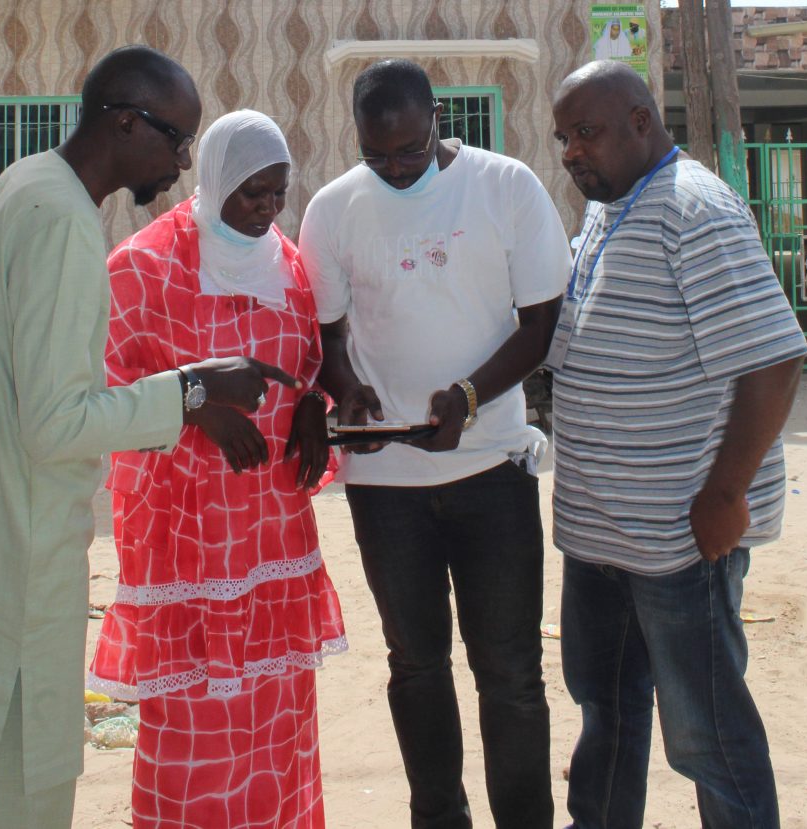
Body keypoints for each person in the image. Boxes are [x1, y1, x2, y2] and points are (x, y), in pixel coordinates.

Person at [0, 47, 300, 829]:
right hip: (17, 568)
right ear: (125, 122)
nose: (181, 163)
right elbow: (55, 421)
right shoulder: (63, 223)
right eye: (175, 140)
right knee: (20, 795)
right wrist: (195, 391)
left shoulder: (22, 183)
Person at [299, 59, 571, 828]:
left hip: (491, 470)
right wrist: (344, 387)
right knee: (416, 666)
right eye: (376, 155)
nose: (394, 169)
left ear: (439, 120)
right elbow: (327, 332)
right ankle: (438, 816)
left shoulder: (506, 186)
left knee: (511, 672)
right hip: (387, 486)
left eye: (411, 151)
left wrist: (471, 396)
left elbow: (540, 325)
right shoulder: (333, 209)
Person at [549, 60, 807, 829]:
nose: (571, 152)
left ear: (640, 121)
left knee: (706, 733)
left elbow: (774, 356)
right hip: (602, 534)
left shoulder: (695, 208)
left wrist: (725, 494)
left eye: (586, 132)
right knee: (607, 709)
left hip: (677, 537)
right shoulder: (611, 207)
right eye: (563, 137)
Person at [87, 110, 347, 829]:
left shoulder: (292, 267)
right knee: (191, 719)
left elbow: (314, 361)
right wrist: (195, 407)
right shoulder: (145, 267)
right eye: (251, 193)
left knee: (275, 713)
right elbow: (102, 384)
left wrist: (312, 405)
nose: (267, 209)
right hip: (185, 536)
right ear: (215, 182)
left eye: (277, 191)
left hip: (269, 534)